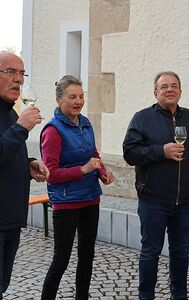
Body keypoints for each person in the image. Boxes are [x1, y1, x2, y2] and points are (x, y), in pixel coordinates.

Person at [123, 71, 189, 300]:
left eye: (174, 86)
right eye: (164, 86)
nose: (169, 89)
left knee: (181, 252)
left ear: (180, 91)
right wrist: (160, 151)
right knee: (150, 252)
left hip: (184, 202)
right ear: (156, 92)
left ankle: (179, 295)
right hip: (153, 200)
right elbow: (130, 153)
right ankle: (146, 296)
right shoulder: (142, 118)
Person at [40, 75, 114, 300]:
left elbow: (94, 155)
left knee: (87, 256)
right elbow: (50, 175)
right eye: (72, 97)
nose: (78, 101)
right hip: (66, 203)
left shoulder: (85, 122)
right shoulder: (52, 131)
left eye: (81, 96)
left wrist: (102, 173)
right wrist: (82, 170)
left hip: (91, 198)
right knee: (61, 260)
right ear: (58, 100)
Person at [0, 51, 49, 299]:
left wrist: (28, 165)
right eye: (10, 72)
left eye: (21, 73)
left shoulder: (10, 113)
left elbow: (7, 157)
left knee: (3, 285)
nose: (18, 79)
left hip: (12, 219)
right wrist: (20, 129)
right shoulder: (16, 120)